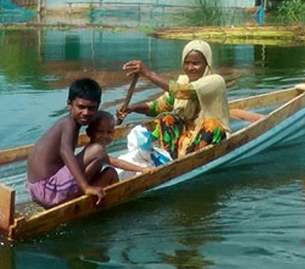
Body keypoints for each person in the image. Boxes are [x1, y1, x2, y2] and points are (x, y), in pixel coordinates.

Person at [116, 40, 230, 160]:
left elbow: (182, 91)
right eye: (187, 63)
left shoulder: (215, 81)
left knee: (212, 125)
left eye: (196, 63)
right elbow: (158, 107)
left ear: (207, 64)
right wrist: (132, 108)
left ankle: (192, 160)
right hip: (187, 138)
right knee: (167, 118)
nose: (190, 68)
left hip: (208, 137)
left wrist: (148, 73)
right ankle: (171, 160)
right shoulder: (183, 80)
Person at [26, 78, 110, 208]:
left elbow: (100, 116)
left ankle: (78, 190)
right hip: (47, 189)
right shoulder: (69, 123)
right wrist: (86, 187)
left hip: (36, 188)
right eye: (81, 107)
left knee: (98, 162)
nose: (86, 113)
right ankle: (79, 194)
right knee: (97, 151)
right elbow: (65, 151)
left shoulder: (68, 121)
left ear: (97, 107)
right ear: (69, 104)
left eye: (91, 108)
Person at [83, 111, 156, 180]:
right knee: (111, 173)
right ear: (89, 133)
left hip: (84, 183)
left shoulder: (93, 149)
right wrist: (142, 169)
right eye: (100, 132)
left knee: (109, 172)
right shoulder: (95, 150)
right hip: (81, 187)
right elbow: (117, 163)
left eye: (109, 132)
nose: (105, 136)